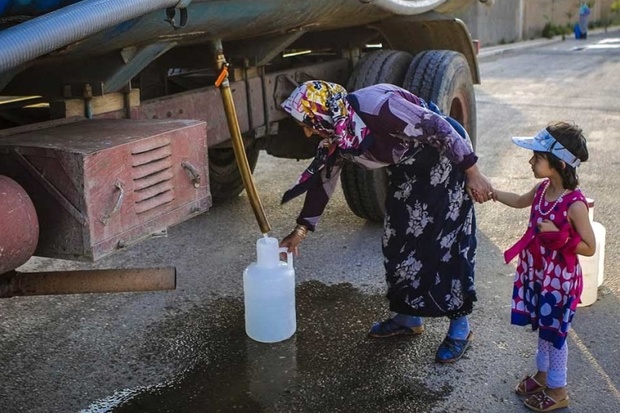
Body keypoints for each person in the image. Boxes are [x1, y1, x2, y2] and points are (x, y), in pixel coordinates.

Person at [278, 80, 493, 363]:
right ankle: (408, 318)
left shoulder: (378, 108)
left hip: (446, 159)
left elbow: (439, 127)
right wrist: (301, 230)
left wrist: (472, 172)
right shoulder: (339, 128)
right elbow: (325, 178)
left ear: (322, 110)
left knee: (444, 245)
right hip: (409, 169)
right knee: (399, 243)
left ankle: (460, 329)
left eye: (308, 122)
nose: (307, 131)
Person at [490, 122, 595, 411]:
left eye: (537, 157)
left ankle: (558, 390)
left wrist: (560, 238)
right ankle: (543, 374)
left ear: (558, 163)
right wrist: (493, 192)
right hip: (539, 274)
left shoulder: (575, 204)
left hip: (560, 281)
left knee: (556, 335)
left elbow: (589, 247)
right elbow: (519, 200)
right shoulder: (542, 189)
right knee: (543, 329)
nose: (531, 161)